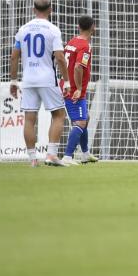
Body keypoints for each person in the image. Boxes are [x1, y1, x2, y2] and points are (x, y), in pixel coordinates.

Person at [9, 0, 70, 167]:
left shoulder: (23, 29)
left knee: (29, 118)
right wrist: (66, 81)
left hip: (28, 79)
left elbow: (14, 56)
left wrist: (13, 80)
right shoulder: (53, 29)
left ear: (33, 9)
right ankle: (51, 155)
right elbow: (59, 57)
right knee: (58, 115)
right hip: (47, 79)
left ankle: (32, 159)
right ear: (51, 9)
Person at [60, 15, 99, 165]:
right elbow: (77, 67)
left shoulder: (72, 42)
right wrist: (79, 88)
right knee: (80, 122)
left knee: (85, 119)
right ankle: (67, 157)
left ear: (79, 27)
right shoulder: (85, 46)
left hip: (66, 85)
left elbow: (63, 61)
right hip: (75, 89)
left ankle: (85, 153)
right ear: (93, 27)